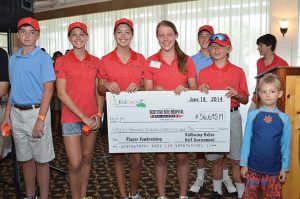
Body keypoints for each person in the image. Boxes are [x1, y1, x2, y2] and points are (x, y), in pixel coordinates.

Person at [0, 17, 55, 199]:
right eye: (23, 31)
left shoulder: (43, 58)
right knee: (25, 160)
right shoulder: (13, 59)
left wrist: (40, 119)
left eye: (32, 32)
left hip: (37, 113)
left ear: (38, 35)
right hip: (16, 113)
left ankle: (44, 196)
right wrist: (6, 117)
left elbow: (48, 89)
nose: (27, 35)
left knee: (41, 161)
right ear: (18, 35)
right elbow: (12, 89)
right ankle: (30, 196)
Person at [144, 20, 198, 199]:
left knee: (182, 157)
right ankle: (162, 196)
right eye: (161, 35)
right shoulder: (150, 61)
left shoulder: (187, 60)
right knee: (161, 158)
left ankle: (183, 195)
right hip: (158, 116)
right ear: (157, 37)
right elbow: (147, 91)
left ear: (176, 36)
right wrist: (154, 91)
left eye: (169, 34)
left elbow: (195, 89)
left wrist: (187, 90)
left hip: (182, 117)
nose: (165, 38)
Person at [97, 18, 145, 199]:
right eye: (119, 32)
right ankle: (124, 195)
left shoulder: (140, 59)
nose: (123, 35)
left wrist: (139, 87)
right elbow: (100, 88)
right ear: (114, 35)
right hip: (115, 114)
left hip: (137, 113)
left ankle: (134, 192)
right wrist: (107, 84)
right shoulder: (105, 60)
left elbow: (146, 87)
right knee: (118, 156)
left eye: (127, 32)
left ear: (132, 35)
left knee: (136, 158)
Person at [198, 33, 249, 199]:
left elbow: (246, 98)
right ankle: (217, 192)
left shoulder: (238, 71)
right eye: (213, 46)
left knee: (235, 159)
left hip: (233, 116)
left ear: (229, 48)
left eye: (221, 46)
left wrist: (237, 94)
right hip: (212, 119)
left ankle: (242, 194)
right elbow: (198, 102)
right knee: (216, 159)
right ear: (209, 50)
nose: (216, 49)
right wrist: (201, 92)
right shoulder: (203, 73)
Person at [55, 22, 102, 199]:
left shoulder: (95, 61)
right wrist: (83, 117)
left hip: (92, 118)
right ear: (69, 38)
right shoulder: (62, 61)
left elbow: (99, 91)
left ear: (87, 37)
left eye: (81, 34)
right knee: (74, 163)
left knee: (87, 158)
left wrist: (99, 113)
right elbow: (61, 93)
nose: (78, 38)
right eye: (74, 35)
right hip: (70, 118)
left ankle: (83, 196)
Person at [189, 25, 237, 196]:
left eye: (207, 35)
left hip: (226, 111)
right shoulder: (191, 60)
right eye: (200, 35)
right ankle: (200, 178)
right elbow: (191, 84)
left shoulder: (219, 54)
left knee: (224, 148)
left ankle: (225, 177)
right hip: (202, 108)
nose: (203, 38)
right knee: (201, 147)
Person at [240, 73, 291, 198]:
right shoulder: (253, 115)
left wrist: (284, 168)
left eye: (272, 91)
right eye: (264, 91)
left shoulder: (284, 119)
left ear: (279, 94)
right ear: (259, 94)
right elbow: (247, 141)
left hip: (274, 170)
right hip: (253, 168)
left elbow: (286, 145)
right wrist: (244, 164)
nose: (268, 95)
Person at [249, 34, 288, 112]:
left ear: (269, 45)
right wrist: (256, 95)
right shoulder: (259, 62)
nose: (258, 48)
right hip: (258, 97)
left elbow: (283, 86)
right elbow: (259, 81)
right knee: (251, 115)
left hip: (273, 101)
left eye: (260, 45)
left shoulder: (282, 64)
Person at [50, 51, 63, 132]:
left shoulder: (63, 66)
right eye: (57, 57)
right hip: (53, 92)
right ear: (54, 58)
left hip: (63, 93)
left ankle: (58, 126)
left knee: (61, 110)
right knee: (54, 110)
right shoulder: (51, 67)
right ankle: (55, 126)